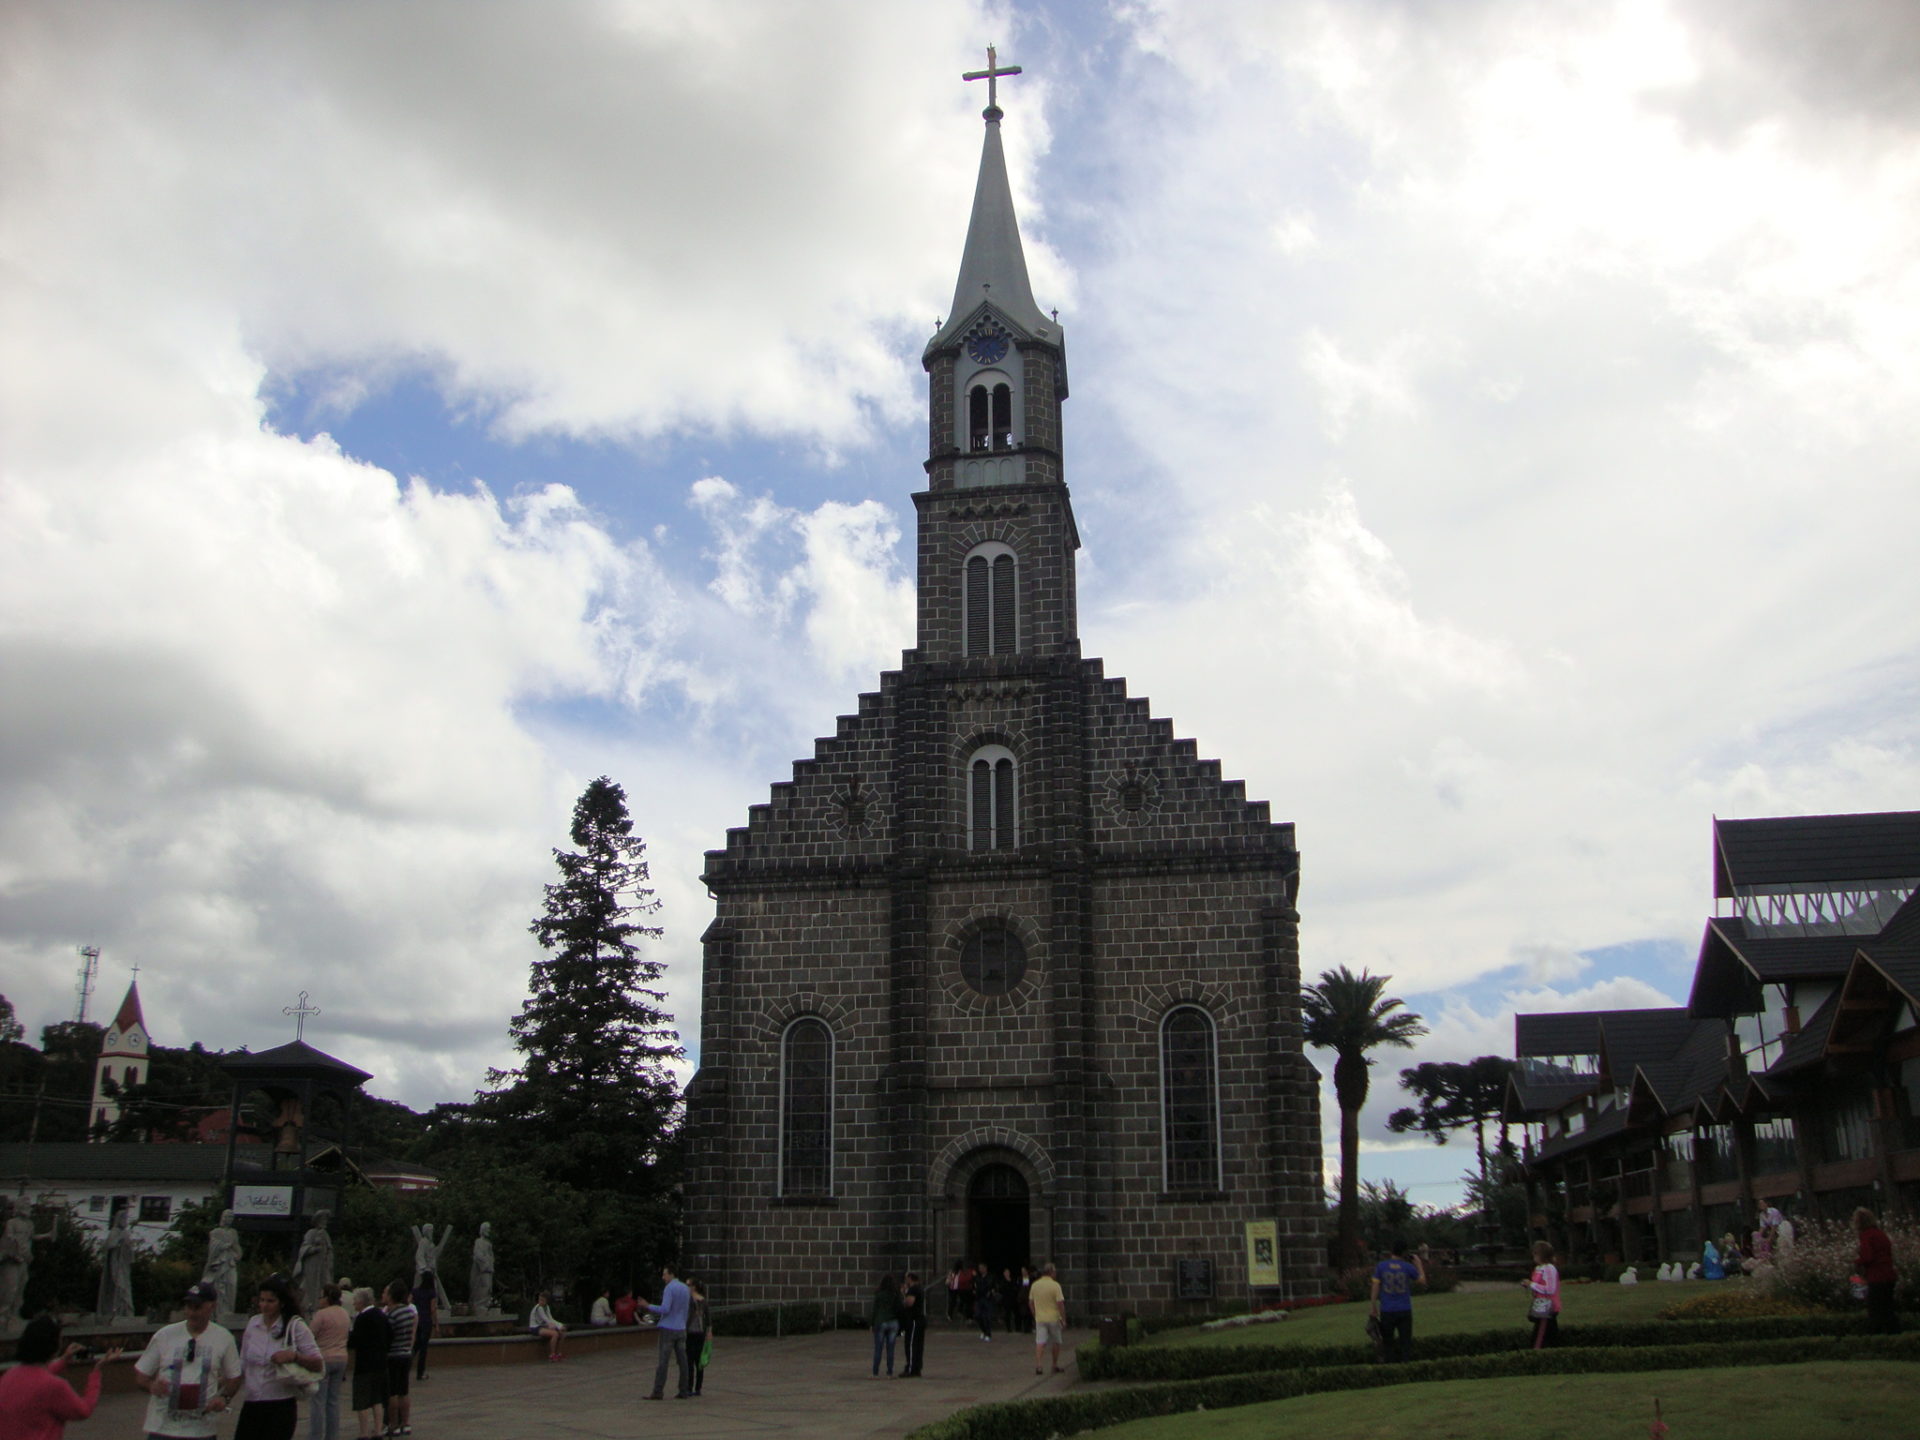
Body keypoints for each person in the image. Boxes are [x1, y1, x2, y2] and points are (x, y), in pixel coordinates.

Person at [135, 1280, 244, 1440]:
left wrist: (224, 1398)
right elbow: (141, 1376)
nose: (192, 1313)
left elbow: (234, 1377)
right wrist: (153, 1386)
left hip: (202, 1430)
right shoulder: (165, 1335)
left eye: (198, 1307)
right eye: (189, 1307)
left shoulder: (223, 1338)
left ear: (211, 1306)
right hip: (163, 1428)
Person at [0, 1314, 121, 1439]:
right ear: (55, 1345)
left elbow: (34, 1377)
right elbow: (83, 1410)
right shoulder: (54, 1386)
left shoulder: (10, 1375)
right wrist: (96, 1371)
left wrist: (64, 1360)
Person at [234, 1274, 323, 1440]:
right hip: (252, 1402)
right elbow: (243, 1362)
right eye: (262, 1300)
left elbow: (318, 1363)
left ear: (281, 1303)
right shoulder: (253, 1324)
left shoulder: (295, 1326)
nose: (264, 1305)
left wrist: (294, 1356)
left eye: (270, 1301)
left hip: (280, 1403)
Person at [641, 1264, 691, 1399]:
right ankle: (684, 1389)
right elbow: (687, 1310)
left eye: (665, 1274)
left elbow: (665, 1309)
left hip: (668, 1327)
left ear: (671, 1274)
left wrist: (648, 1306)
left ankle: (658, 1391)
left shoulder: (669, 1288)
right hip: (681, 1328)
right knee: (683, 1361)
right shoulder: (685, 1288)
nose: (663, 1277)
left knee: (663, 1361)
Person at [1369, 1238, 1423, 1363]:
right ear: (1404, 1252)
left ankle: (1391, 1368)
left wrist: (1373, 1306)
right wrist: (1419, 1265)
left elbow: (1375, 1286)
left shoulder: (1381, 1266)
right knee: (1405, 1342)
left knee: (1388, 1343)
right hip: (1404, 1309)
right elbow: (1422, 1281)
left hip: (1387, 1309)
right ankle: (1405, 1365)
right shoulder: (1408, 1267)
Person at [346, 1287, 390, 1440]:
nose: (353, 1303)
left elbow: (355, 1341)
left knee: (362, 1400)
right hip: (381, 1363)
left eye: (355, 1300)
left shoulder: (362, 1318)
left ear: (361, 1301)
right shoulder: (382, 1315)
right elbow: (390, 1336)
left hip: (364, 1364)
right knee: (377, 1399)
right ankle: (378, 1431)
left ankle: (364, 1432)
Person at [308, 1283, 350, 1440]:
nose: (319, 1300)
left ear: (327, 1298)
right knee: (333, 1400)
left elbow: (310, 1336)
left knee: (318, 1401)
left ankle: (315, 1436)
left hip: (324, 1358)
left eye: (321, 1296)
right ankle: (333, 1436)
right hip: (341, 1358)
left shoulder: (321, 1314)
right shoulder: (344, 1313)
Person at [1855, 1207, 1900, 1334]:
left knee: (1875, 1311)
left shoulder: (1866, 1236)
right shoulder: (1880, 1234)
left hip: (1876, 1277)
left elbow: (1868, 1257)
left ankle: (1875, 1339)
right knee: (1888, 1310)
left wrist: (1857, 1262)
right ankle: (1896, 1337)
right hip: (1889, 1275)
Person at [382, 1279, 417, 1435]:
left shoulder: (392, 1313)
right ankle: (406, 1422)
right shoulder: (410, 1312)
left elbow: (388, 1335)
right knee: (404, 1390)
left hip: (393, 1354)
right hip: (406, 1353)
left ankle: (393, 1423)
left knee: (393, 1392)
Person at [95, 1208, 135, 1318]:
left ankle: (125, 1311)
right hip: (116, 1265)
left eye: (126, 1219)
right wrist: (118, 1243)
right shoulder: (114, 1232)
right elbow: (109, 1246)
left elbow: (130, 1252)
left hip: (124, 1266)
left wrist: (127, 1246)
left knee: (125, 1288)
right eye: (123, 1219)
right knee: (119, 1287)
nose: (125, 1221)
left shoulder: (125, 1233)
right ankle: (117, 1310)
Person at [1028, 1263, 1067, 1376]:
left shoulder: (1035, 1285)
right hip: (1054, 1318)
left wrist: (1035, 1314)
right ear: (1051, 1272)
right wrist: (1063, 1319)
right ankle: (1054, 1365)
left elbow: (1030, 1302)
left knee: (1040, 1342)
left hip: (1040, 1318)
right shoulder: (1055, 1285)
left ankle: (1039, 1365)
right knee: (1056, 1341)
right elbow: (1060, 1304)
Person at [203, 1209, 242, 1317]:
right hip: (219, 1262)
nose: (229, 1219)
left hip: (230, 1262)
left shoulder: (233, 1232)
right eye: (227, 1216)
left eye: (231, 1217)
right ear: (222, 1217)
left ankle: (229, 1309)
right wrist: (224, 1245)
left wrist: (239, 1254)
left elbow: (236, 1245)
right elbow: (213, 1247)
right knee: (219, 1286)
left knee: (232, 1284)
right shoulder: (215, 1232)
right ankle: (219, 1310)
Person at [0, 1198, 33, 1324]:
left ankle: (15, 1313)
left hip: (24, 1258)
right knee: (11, 1287)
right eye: (26, 1205)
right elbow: (9, 1237)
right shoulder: (12, 1222)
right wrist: (16, 1249)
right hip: (13, 1258)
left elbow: (31, 1238)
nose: (29, 1207)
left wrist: (48, 1234)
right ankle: (3, 1313)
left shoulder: (30, 1224)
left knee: (21, 1286)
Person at [1525, 1241, 1561, 1349]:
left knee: (1540, 1338)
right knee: (1548, 1335)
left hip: (1547, 1307)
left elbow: (1550, 1289)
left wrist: (1532, 1285)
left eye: (1535, 1254)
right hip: (1541, 1305)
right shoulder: (1539, 1268)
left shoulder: (1549, 1269)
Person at [295, 1213, 334, 1312]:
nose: (325, 1222)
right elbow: (304, 1248)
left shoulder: (325, 1234)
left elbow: (329, 1250)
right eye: (323, 1220)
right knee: (310, 1287)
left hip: (323, 1266)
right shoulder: (311, 1233)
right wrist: (314, 1249)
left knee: (326, 1284)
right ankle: (310, 1306)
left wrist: (328, 1259)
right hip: (312, 1266)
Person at [870, 1273, 900, 1378]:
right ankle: (890, 1372)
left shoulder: (879, 1294)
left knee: (878, 1348)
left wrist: (871, 1323)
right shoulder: (895, 1294)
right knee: (890, 1348)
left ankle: (875, 1372)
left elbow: (874, 1310)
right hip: (893, 1322)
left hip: (881, 1321)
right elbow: (899, 1308)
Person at [407, 1273, 436, 1381]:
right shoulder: (431, 1293)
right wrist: (436, 1324)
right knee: (423, 1349)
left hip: (416, 1320)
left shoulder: (415, 1291)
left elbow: (408, 1302)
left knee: (415, 1346)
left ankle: (407, 1366)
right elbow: (433, 1309)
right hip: (426, 1321)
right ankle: (420, 1372)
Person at [898, 1272, 926, 1378]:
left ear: (910, 1279)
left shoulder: (913, 1289)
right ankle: (917, 1368)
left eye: (906, 1279)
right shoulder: (920, 1288)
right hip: (919, 1319)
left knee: (911, 1344)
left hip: (914, 1320)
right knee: (918, 1345)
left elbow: (909, 1302)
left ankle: (910, 1368)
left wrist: (904, 1296)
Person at [685, 1278, 709, 1396]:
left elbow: (708, 1319)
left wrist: (709, 1332)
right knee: (691, 1362)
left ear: (693, 1287)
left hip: (696, 1332)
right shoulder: (696, 1300)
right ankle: (691, 1387)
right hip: (693, 1332)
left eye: (688, 1285)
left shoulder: (699, 1300)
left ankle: (695, 1387)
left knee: (696, 1362)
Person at [527, 1289, 565, 1362]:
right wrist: (554, 1326)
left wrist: (560, 1326)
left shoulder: (546, 1307)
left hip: (543, 1326)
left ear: (546, 1301)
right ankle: (552, 1354)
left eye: (543, 1300)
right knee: (555, 1334)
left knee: (562, 1333)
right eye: (539, 1300)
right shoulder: (539, 1308)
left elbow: (550, 1318)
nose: (540, 1302)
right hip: (535, 1327)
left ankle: (559, 1353)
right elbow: (546, 1319)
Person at [466, 1223, 495, 1315]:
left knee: (488, 1287)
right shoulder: (478, 1241)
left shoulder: (488, 1243)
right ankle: (479, 1305)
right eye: (487, 1229)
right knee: (483, 1286)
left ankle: (485, 1304)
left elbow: (491, 1255)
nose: (489, 1231)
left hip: (488, 1268)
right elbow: (478, 1255)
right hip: (483, 1269)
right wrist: (486, 1263)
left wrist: (490, 1262)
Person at [973, 1261, 996, 1340]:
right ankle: (984, 1330)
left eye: (982, 1268)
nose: (980, 1270)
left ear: (985, 1268)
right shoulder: (977, 1277)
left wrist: (991, 1291)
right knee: (978, 1315)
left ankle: (988, 1334)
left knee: (987, 1317)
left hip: (987, 1299)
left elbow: (993, 1286)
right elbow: (975, 1286)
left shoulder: (990, 1277)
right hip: (979, 1298)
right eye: (979, 1268)